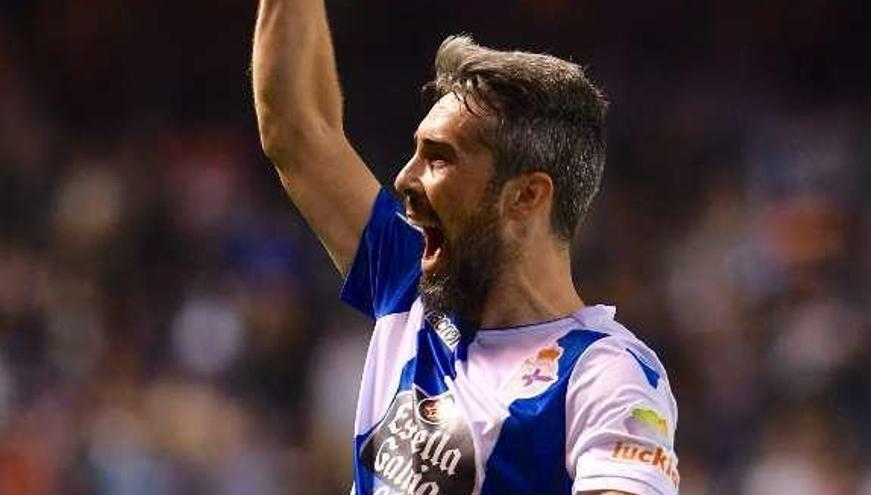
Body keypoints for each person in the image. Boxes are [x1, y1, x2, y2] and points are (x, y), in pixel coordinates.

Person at [251, 1, 679, 494]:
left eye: (438, 159)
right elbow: (296, 132)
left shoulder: (603, 375)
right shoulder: (410, 286)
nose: (404, 178)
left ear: (526, 196)